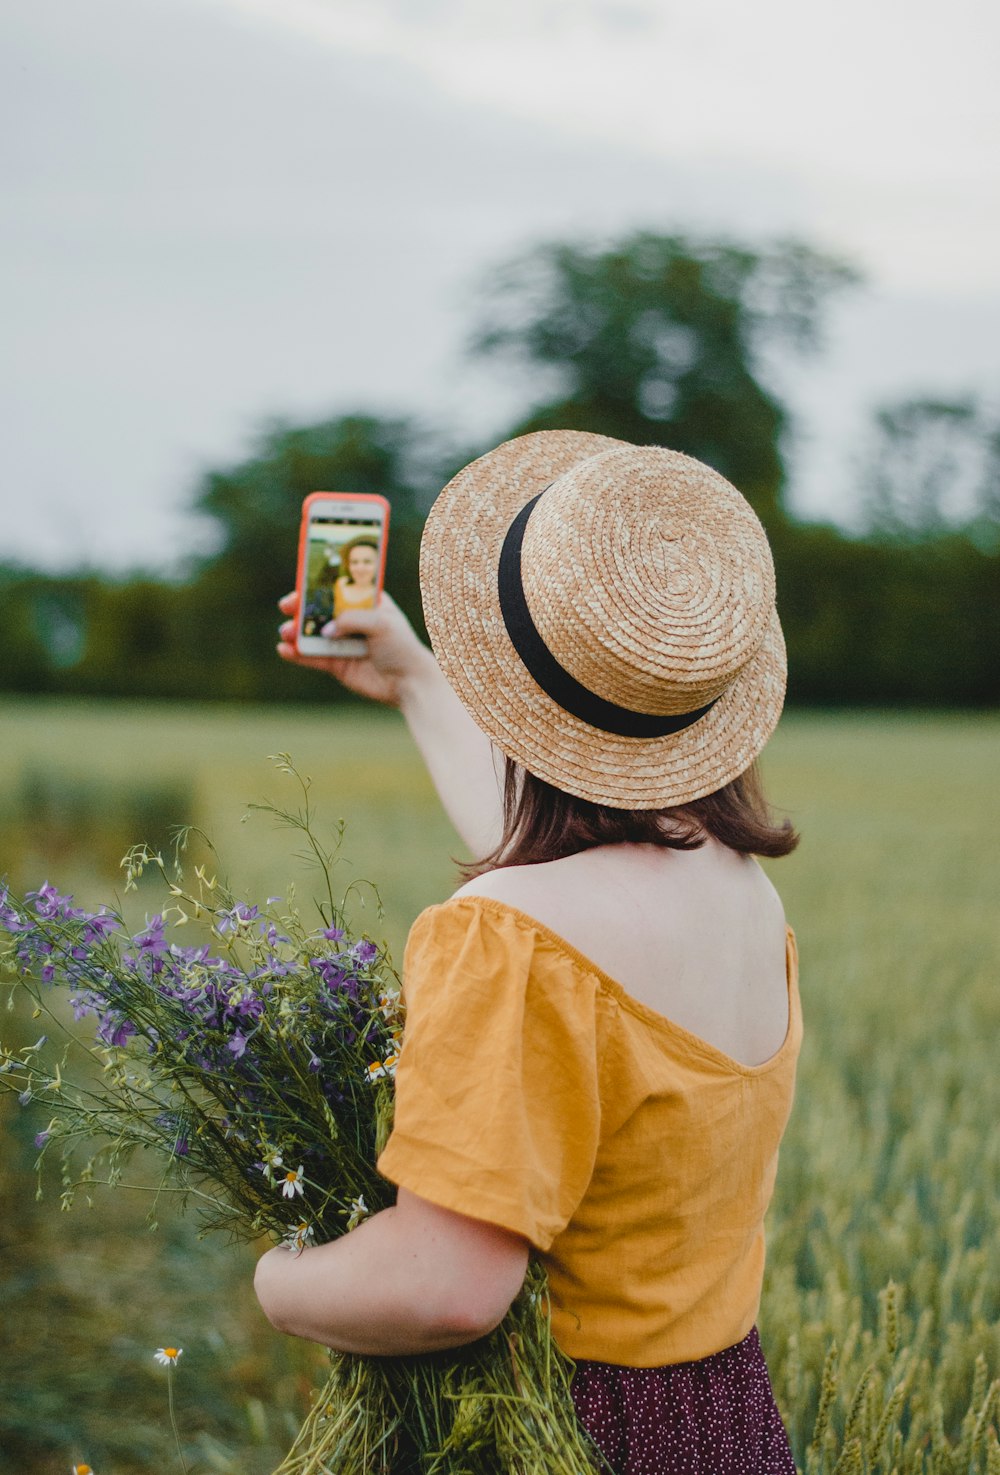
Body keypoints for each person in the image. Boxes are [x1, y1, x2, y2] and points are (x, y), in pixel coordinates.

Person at [255, 431, 802, 1475]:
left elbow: (444, 1285)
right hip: (723, 1418)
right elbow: (559, 868)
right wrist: (415, 680)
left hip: (557, 1427)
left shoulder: (506, 933)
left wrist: (281, 1279)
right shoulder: (739, 886)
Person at [332, 534, 380, 618]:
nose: (360, 568)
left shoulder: (382, 594)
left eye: (367, 562)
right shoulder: (341, 584)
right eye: (354, 562)